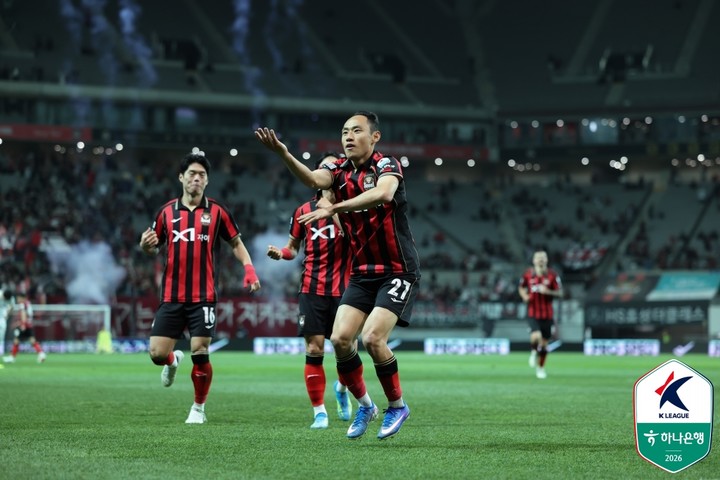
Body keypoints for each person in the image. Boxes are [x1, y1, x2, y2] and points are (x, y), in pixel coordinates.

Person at [255, 111, 421, 440]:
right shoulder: (338, 171)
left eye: (356, 131)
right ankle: (366, 406)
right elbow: (312, 180)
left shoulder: (386, 165)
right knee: (340, 339)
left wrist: (335, 208)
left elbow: (384, 194)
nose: (348, 137)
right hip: (361, 273)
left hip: (397, 269)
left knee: (372, 338)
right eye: (345, 131)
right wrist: (284, 153)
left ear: (374, 137)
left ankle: (397, 405)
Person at [139, 152, 261, 424]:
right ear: (181, 177)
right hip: (171, 296)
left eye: (201, 175)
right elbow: (152, 246)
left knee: (200, 350)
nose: (196, 178)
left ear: (207, 181)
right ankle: (172, 361)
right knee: (157, 354)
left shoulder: (217, 211)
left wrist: (249, 269)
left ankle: (198, 408)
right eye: (192, 174)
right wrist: (145, 246)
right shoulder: (166, 212)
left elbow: (236, 243)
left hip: (203, 296)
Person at [267, 152, 353, 430]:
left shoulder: (352, 208)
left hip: (346, 291)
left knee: (345, 349)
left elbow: (357, 240)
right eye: (325, 166)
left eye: (335, 166)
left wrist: (334, 209)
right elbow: (293, 248)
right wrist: (281, 253)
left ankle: (342, 388)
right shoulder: (302, 211)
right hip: (311, 288)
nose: (331, 170)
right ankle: (319, 412)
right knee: (314, 348)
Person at [518, 249, 563, 379]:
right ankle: (533, 352)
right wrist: (524, 296)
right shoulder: (528, 274)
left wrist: (548, 291)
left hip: (547, 315)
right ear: (534, 260)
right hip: (533, 312)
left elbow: (560, 293)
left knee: (544, 344)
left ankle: (541, 368)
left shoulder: (553, 275)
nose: (541, 260)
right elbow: (521, 287)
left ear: (547, 260)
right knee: (536, 335)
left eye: (543, 257)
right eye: (538, 257)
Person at [5, 291, 46, 364]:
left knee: (16, 340)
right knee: (32, 340)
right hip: (29, 325)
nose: (17, 300)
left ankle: (12, 357)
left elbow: (23, 314)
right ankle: (41, 353)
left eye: (18, 298)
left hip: (24, 325)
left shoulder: (22, 304)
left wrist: (22, 324)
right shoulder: (28, 303)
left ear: (22, 298)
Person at [0, 289, 14, 365]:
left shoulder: (11, 299)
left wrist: (8, 314)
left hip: (2, 318)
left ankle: (1, 351)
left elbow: (12, 307)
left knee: (1, 335)